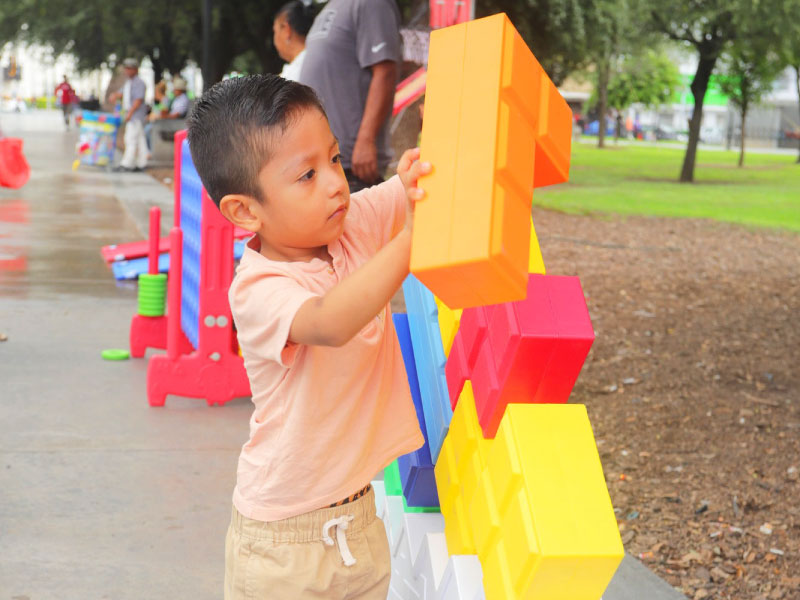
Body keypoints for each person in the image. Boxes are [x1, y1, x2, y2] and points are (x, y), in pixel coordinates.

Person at [187, 74, 428, 599]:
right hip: (282, 544)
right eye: (307, 175)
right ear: (245, 210)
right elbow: (329, 321)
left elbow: (415, 192)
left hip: (359, 520)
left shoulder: (351, 224)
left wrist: (419, 170)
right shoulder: (259, 288)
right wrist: (410, 241)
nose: (336, 183)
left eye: (335, 159)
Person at [299, 0, 401, 193]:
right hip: (323, 165)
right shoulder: (328, 8)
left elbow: (385, 72)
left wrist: (366, 140)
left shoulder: (371, 3)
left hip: (352, 167)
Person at [108, 58, 148, 172]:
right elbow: (122, 93)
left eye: (130, 69)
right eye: (126, 69)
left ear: (135, 70)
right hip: (131, 114)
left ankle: (127, 164)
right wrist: (115, 95)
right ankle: (142, 163)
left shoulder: (139, 83)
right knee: (140, 139)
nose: (127, 71)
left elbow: (138, 100)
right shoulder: (129, 82)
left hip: (135, 116)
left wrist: (130, 113)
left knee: (130, 139)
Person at [273, 0, 316, 81]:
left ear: (286, 30)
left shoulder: (291, 76)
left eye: (275, 31)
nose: (274, 40)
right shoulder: (322, 56)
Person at [145, 77, 191, 150]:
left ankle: (151, 150)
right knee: (148, 128)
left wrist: (164, 116)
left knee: (148, 129)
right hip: (170, 120)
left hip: (174, 123)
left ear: (179, 90)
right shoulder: (177, 99)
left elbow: (176, 115)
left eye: (175, 89)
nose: (174, 91)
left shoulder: (183, 99)